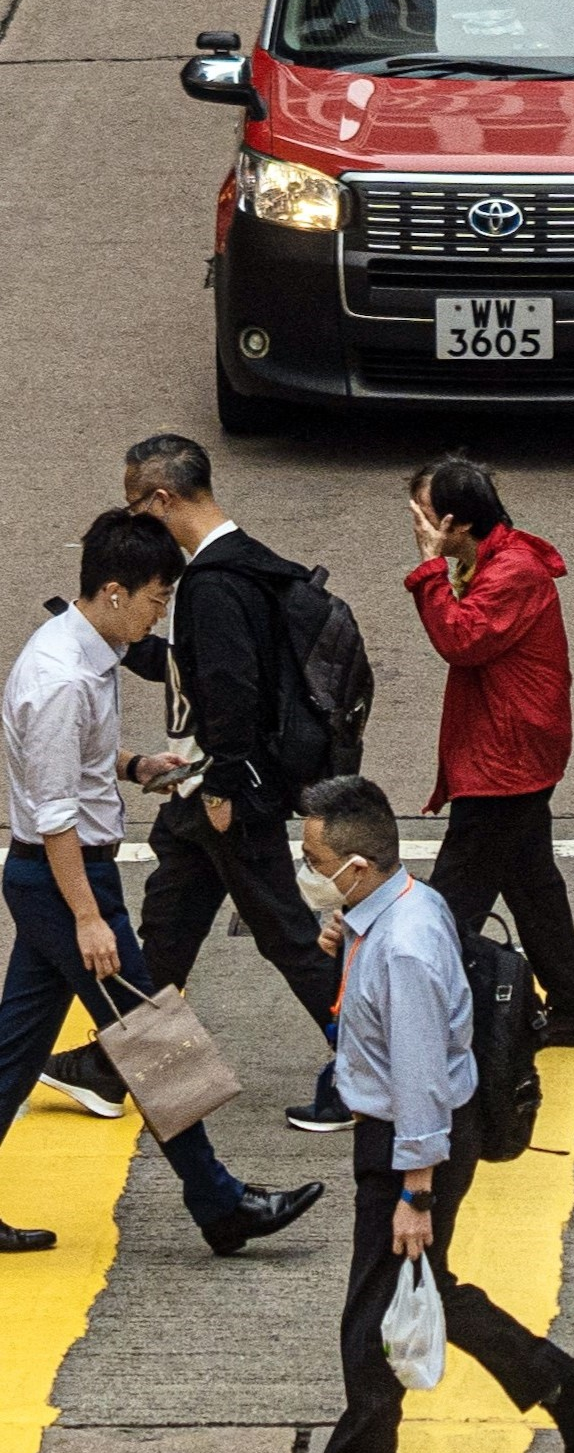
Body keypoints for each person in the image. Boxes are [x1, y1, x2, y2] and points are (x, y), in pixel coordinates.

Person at [0, 511, 322, 1257]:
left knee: (17, 1053)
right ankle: (219, 1202)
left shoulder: (81, 654)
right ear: (112, 591)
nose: (159, 616)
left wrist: (133, 765)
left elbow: (69, 765)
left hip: (62, 877)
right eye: (153, 599)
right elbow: (52, 816)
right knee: (157, 1040)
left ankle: (218, 1200)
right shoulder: (61, 679)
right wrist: (87, 916)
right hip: (66, 880)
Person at [282, 775, 574, 1453]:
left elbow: (421, 1081)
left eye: (314, 857)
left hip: (410, 1143)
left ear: (357, 866)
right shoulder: (396, 908)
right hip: (401, 1135)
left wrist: (413, 1193)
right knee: (423, 1290)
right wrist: (342, 936)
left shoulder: (406, 951)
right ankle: (554, 1378)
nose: (307, 870)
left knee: (373, 1308)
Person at [40, 436, 350, 1135]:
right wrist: (104, 633)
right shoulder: (243, 563)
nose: (134, 523)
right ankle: (117, 1067)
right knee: (168, 928)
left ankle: (370, 1066)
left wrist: (223, 790)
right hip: (200, 790)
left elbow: (231, 688)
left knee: (289, 936)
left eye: (135, 505)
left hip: (226, 792)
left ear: (164, 499)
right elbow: (191, 667)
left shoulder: (211, 582)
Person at [405, 454, 574, 1049]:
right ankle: (572, 1011)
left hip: (505, 762)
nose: (417, 527)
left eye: (425, 517)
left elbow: (460, 640)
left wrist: (430, 569)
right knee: (532, 883)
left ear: (456, 524)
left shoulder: (511, 571)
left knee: (449, 906)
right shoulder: (494, 559)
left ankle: (416, 1024)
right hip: (510, 753)